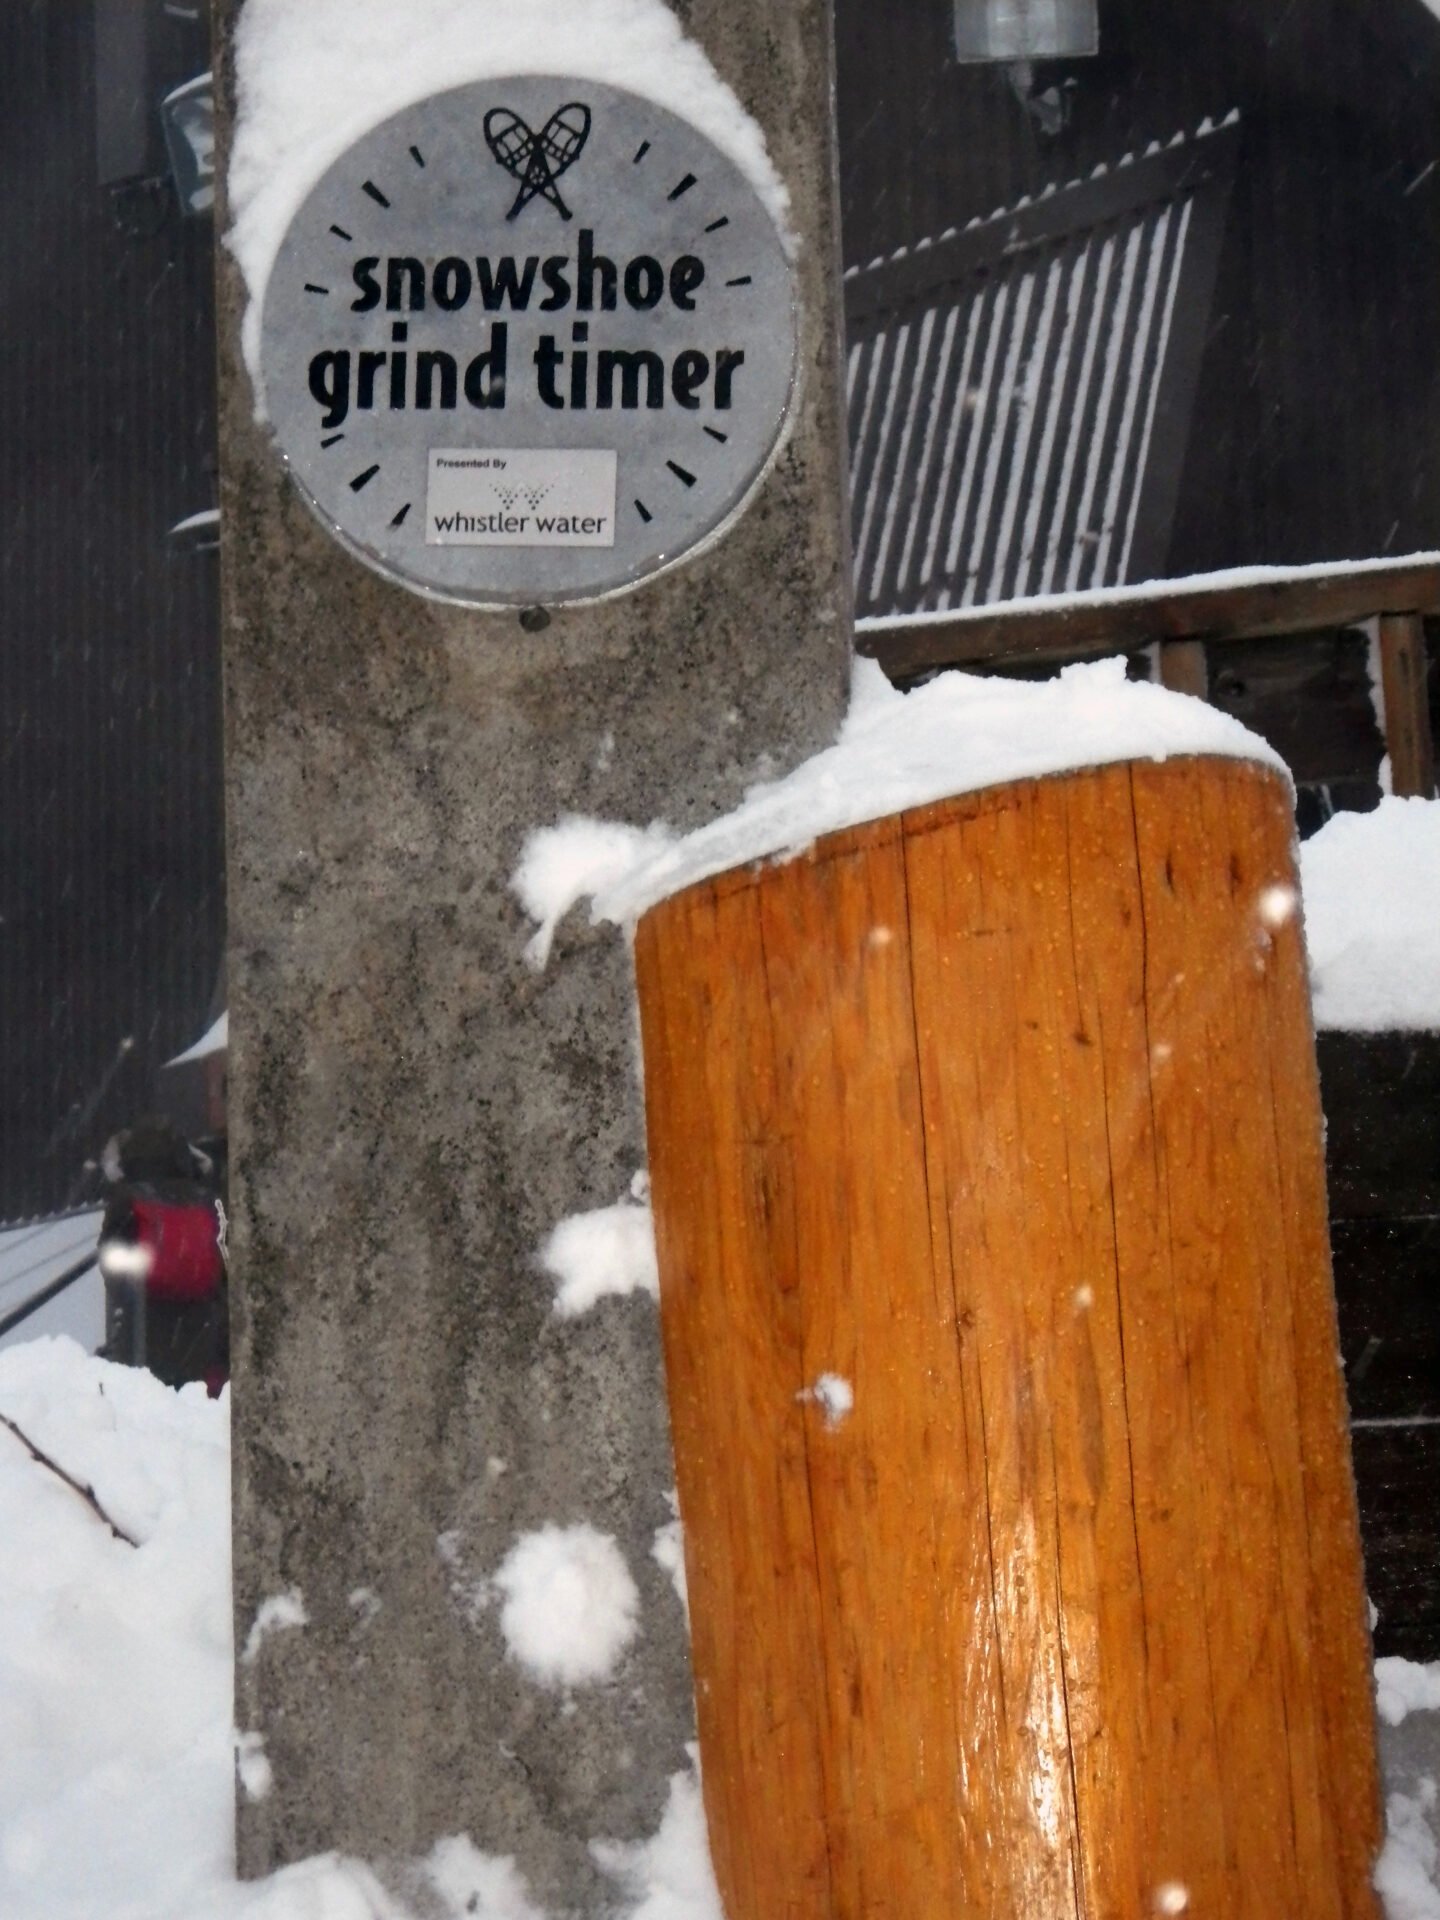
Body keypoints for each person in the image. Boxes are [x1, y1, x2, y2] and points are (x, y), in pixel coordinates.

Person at [97, 1115, 227, 1393]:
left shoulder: (128, 1200)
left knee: (149, 1409)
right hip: (201, 1329)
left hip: (146, 1327)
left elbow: (114, 1268)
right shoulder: (207, 1199)